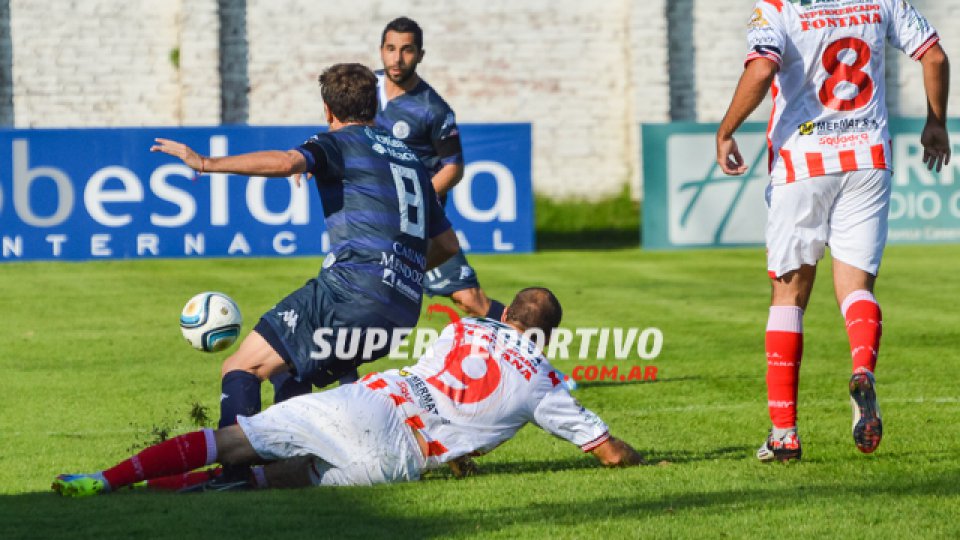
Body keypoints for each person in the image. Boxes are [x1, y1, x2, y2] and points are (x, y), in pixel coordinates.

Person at [52, 288, 645, 496]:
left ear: (509, 310)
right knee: (275, 482)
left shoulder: (465, 327)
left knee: (233, 443)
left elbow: (459, 382)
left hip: (376, 399)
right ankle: (180, 495)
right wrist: (644, 459)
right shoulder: (545, 379)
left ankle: (105, 483)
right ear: (546, 334)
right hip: (399, 458)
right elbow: (607, 451)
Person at [149, 63, 460, 437]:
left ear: (328, 110)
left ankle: (234, 471)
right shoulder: (409, 158)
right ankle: (291, 467)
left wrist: (205, 163)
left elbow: (286, 162)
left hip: (353, 292)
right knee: (286, 369)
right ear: (375, 106)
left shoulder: (338, 142)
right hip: (402, 310)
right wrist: (397, 272)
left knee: (239, 367)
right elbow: (446, 245)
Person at [716, 0, 950, 462]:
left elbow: (762, 70)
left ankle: (784, 434)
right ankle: (863, 369)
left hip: (803, 164)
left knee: (789, 296)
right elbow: (935, 56)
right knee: (856, 288)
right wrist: (935, 122)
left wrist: (726, 130)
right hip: (867, 157)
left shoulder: (777, 8)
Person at [375, 16, 506, 320]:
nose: (397, 58)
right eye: (391, 48)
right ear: (381, 50)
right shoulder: (366, 87)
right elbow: (340, 124)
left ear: (420, 55)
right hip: (375, 216)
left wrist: (416, 198)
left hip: (419, 223)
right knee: (354, 295)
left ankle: (529, 350)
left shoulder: (432, 109)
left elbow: (453, 168)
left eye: (407, 50)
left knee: (470, 299)